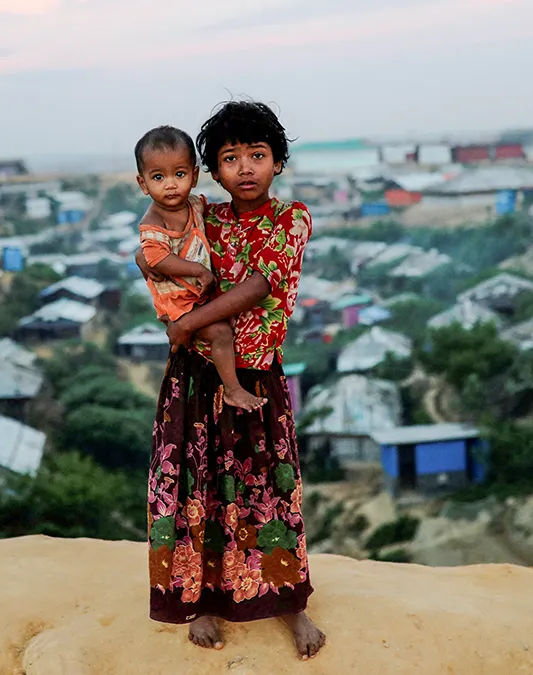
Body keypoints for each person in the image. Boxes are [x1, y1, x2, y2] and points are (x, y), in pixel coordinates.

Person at [137, 100, 326, 660]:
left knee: (269, 488)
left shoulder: (291, 218)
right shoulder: (204, 217)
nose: (245, 167)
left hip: (256, 374)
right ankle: (203, 601)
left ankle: (291, 604)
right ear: (211, 172)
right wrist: (150, 260)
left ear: (278, 162)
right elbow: (154, 249)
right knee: (200, 490)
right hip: (197, 376)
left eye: (257, 155)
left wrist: (184, 324)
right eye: (230, 158)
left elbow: (261, 286)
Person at [134, 125, 266, 411]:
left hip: (196, 298)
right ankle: (233, 390)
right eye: (158, 177)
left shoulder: (195, 205)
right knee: (219, 332)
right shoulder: (155, 220)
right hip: (178, 303)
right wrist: (196, 270)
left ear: (193, 176)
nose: (170, 184)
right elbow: (157, 258)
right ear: (143, 183)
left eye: (179, 174)